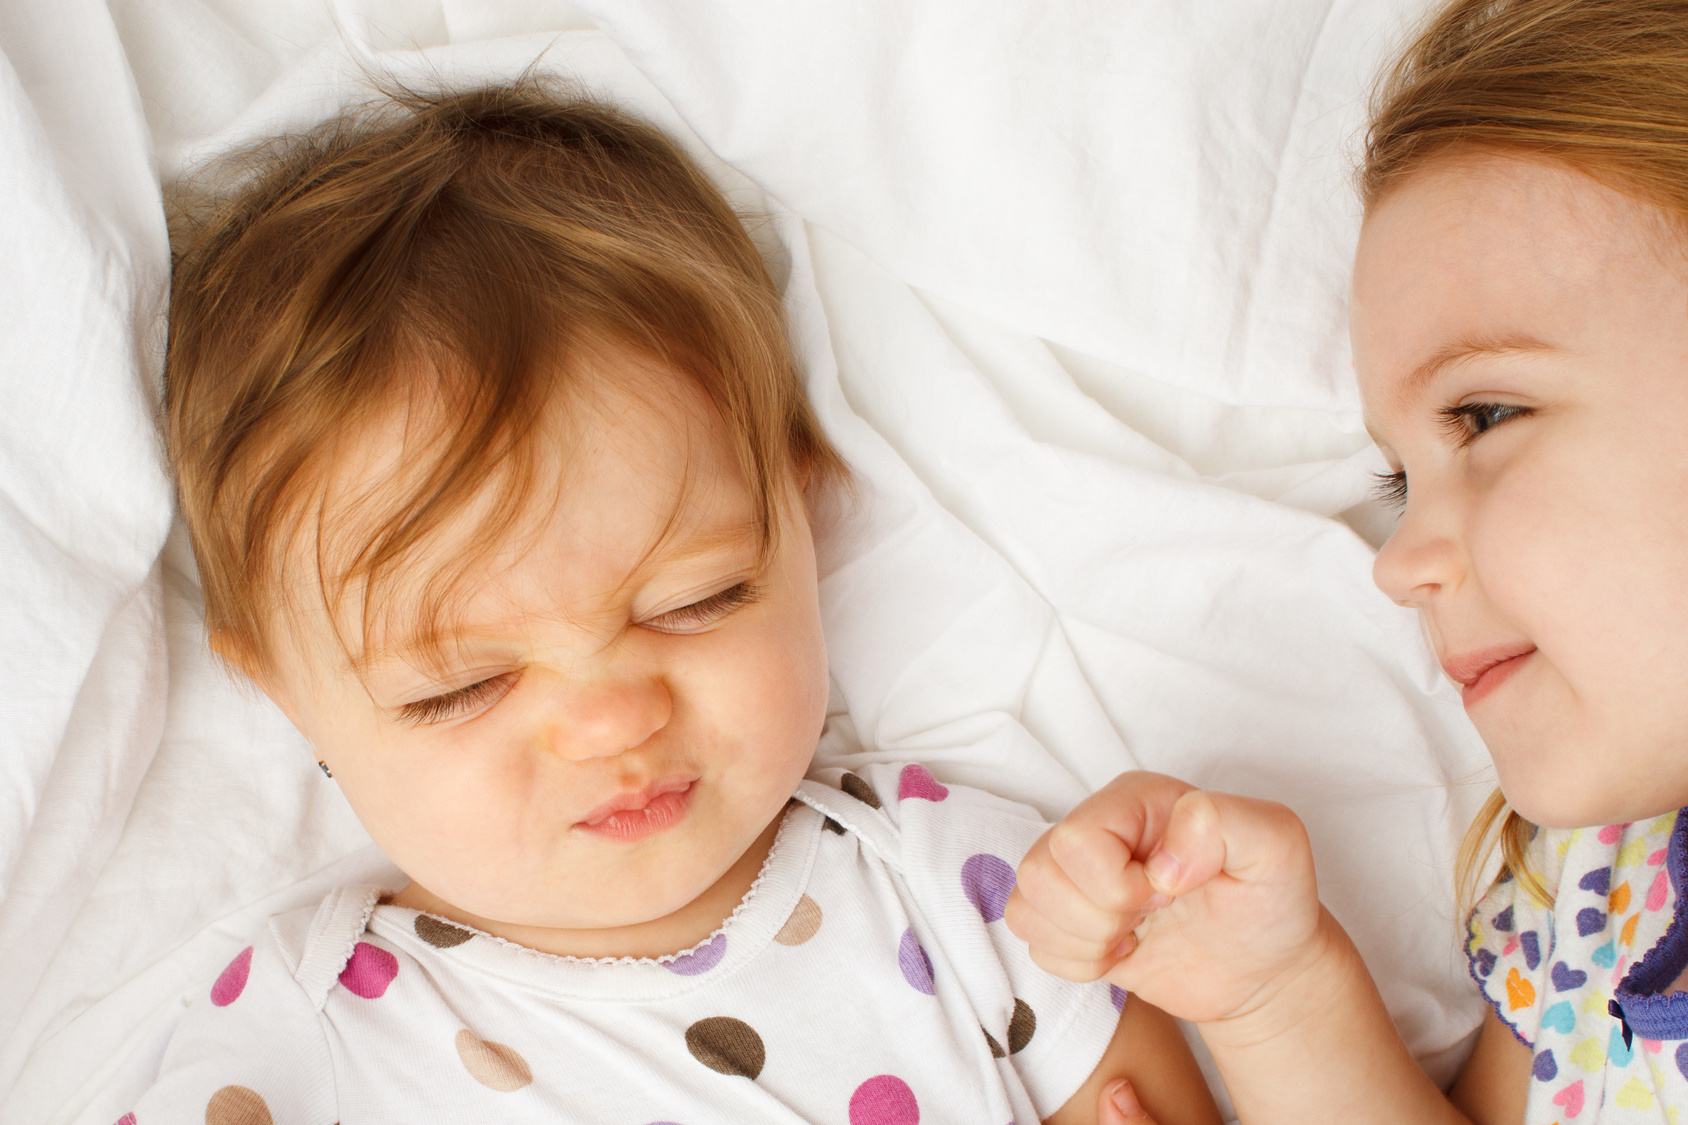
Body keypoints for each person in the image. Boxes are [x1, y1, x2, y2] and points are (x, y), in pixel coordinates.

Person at [126, 83, 1219, 1125]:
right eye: (461, 685)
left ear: (799, 512)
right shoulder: (298, 1036)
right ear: (290, 697)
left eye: (696, 601)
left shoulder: (963, 889)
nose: (610, 721)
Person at [1010, 2, 1688, 1122]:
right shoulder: (1596, 899)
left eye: (1482, 416)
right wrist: (1272, 995)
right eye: (1395, 482)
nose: (1398, 563)